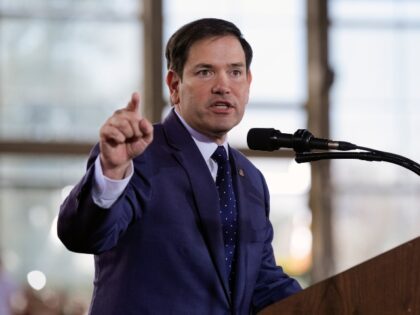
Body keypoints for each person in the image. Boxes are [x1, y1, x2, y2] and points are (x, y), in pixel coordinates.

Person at [57, 18, 301, 314]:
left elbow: (261, 283)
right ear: (174, 85)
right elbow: (83, 235)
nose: (223, 86)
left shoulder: (251, 179)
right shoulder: (138, 153)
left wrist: (330, 303)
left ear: (247, 84)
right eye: (205, 72)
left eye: (235, 72)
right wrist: (110, 173)